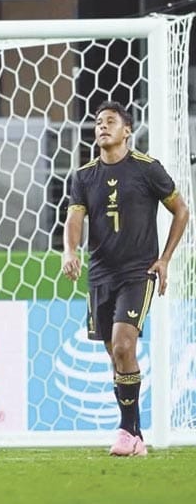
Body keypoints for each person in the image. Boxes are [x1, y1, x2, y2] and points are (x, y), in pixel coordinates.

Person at [62, 101, 189, 457]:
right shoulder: (84, 175)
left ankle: (124, 430)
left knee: (123, 345)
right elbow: (75, 218)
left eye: (110, 121)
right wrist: (69, 250)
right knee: (116, 356)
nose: (102, 126)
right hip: (101, 274)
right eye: (98, 122)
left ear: (127, 130)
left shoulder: (148, 169)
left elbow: (181, 210)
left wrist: (164, 259)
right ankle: (134, 434)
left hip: (139, 272)